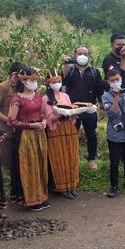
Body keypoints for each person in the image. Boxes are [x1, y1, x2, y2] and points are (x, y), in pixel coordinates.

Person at [7, 68, 50, 212]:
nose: (35, 82)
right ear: (24, 81)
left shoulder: (37, 95)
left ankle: (41, 196)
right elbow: (11, 121)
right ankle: (31, 199)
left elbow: (42, 112)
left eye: (35, 80)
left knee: (40, 164)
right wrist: (31, 125)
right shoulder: (17, 99)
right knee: (29, 166)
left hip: (39, 134)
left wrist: (43, 121)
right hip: (26, 136)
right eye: (32, 80)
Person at [63, 46, 103, 171]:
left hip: (89, 108)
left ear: (89, 56)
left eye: (85, 54)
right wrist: (64, 68)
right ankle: (71, 158)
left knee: (91, 134)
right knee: (71, 134)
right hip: (73, 109)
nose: (82, 56)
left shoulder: (94, 71)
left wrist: (101, 105)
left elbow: (99, 89)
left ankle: (91, 159)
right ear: (74, 55)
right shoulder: (69, 70)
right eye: (79, 53)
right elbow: (62, 84)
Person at [102, 69, 125, 198]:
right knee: (114, 161)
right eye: (112, 81)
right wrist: (116, 97)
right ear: (108, 82)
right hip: (114, 135)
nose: (115, 82)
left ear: (121, 79)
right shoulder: (105, 96)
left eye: (117, 80)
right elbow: (112, 114)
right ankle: (113, 186)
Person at [43, 71, 80, 199]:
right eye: (54, 82)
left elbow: (72, 110)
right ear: (48, 83)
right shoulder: (46, 98)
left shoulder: (65, 95)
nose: (57, 84)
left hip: (69, 128)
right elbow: (49, 118)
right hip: (57, 130)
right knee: (59, 157)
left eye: (58, 81)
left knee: (71, 156)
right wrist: (62, 113)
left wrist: (73, 112)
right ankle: (62, 188)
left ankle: (72, 185)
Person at [0, 61, 25, 172]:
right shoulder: (3, 88)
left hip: (21, 129)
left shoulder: (22, 88)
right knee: (8, 162)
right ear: (15, 75)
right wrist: (10, 121)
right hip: (7, 130)